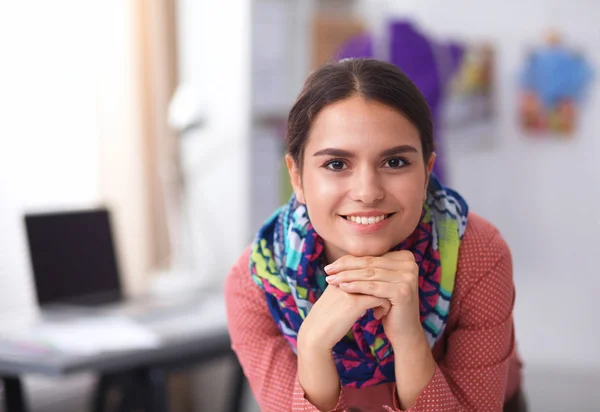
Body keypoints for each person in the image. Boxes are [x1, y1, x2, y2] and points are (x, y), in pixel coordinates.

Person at [225, 58, 526, 412]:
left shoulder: (476, 253)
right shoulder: (256, 283)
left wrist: (410, 339)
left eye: (395, 162)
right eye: (336, 164)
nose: (367, 192)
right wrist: (312, 346)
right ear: (297, 177)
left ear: (427, 172)